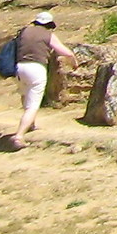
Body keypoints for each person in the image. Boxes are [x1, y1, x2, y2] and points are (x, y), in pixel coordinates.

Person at [8, 12, 70, 150]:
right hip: (36, 69)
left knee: (25, 95)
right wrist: (73, 60)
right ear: (49, 25)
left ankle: (31, 124)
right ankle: (19, 136)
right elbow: (65, 52)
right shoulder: (48, 35)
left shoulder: (23, 32)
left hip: (19, 68)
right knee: (33, 106)